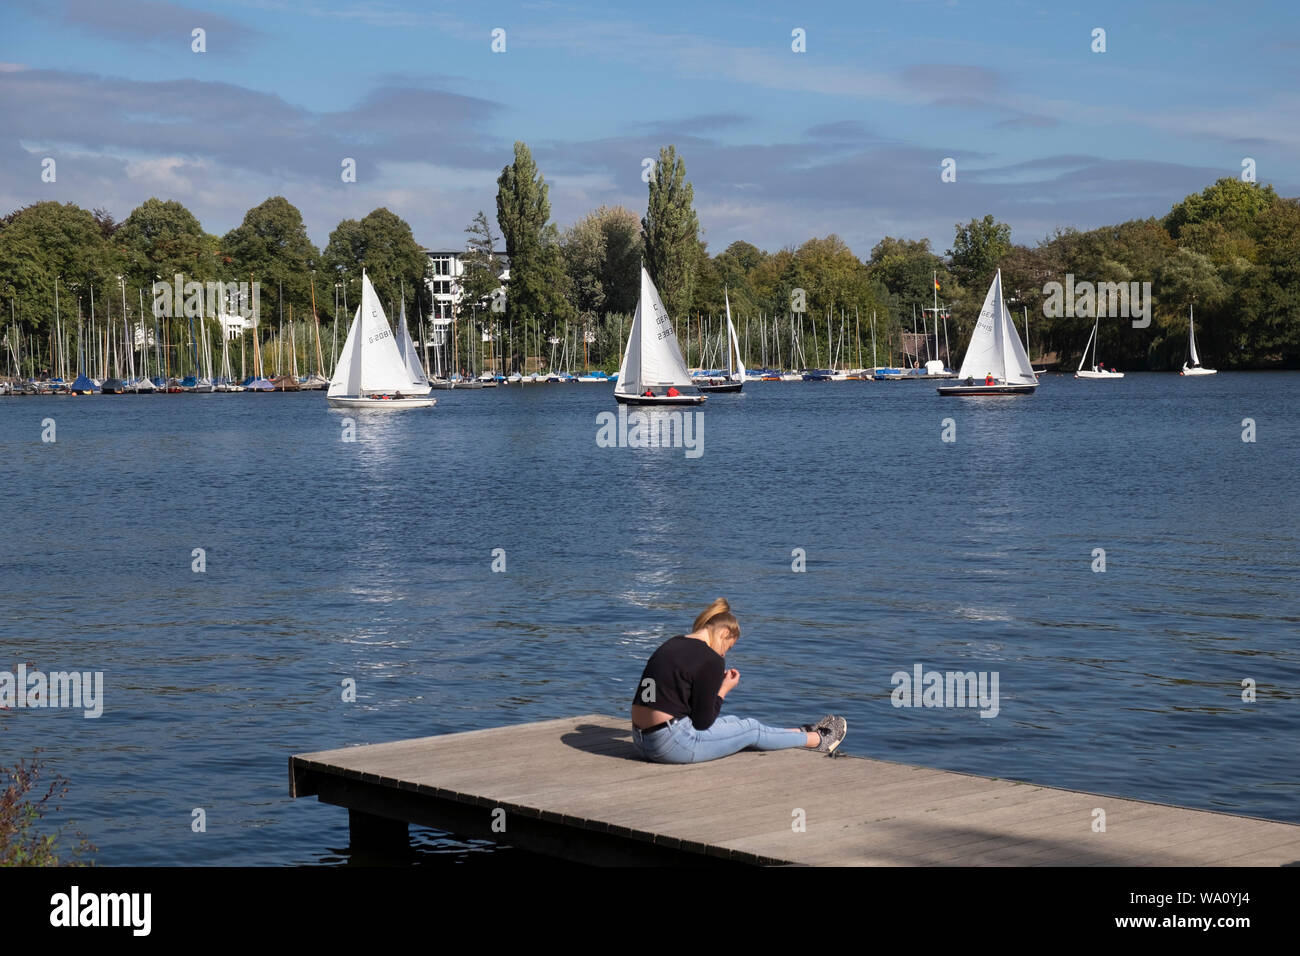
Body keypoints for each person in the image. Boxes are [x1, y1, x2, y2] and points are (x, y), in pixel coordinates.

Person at [630, 598, 847, 763]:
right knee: (750, 729)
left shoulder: (672, 644)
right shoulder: (710, 659)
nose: (724, 654)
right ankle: (818, 741)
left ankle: (799, 732)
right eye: (728, 647)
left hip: (641, 739)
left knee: (733, 721)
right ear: (724, 633)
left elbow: (655, 696)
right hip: (671, 745)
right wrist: (723, 689)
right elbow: (703, 722)